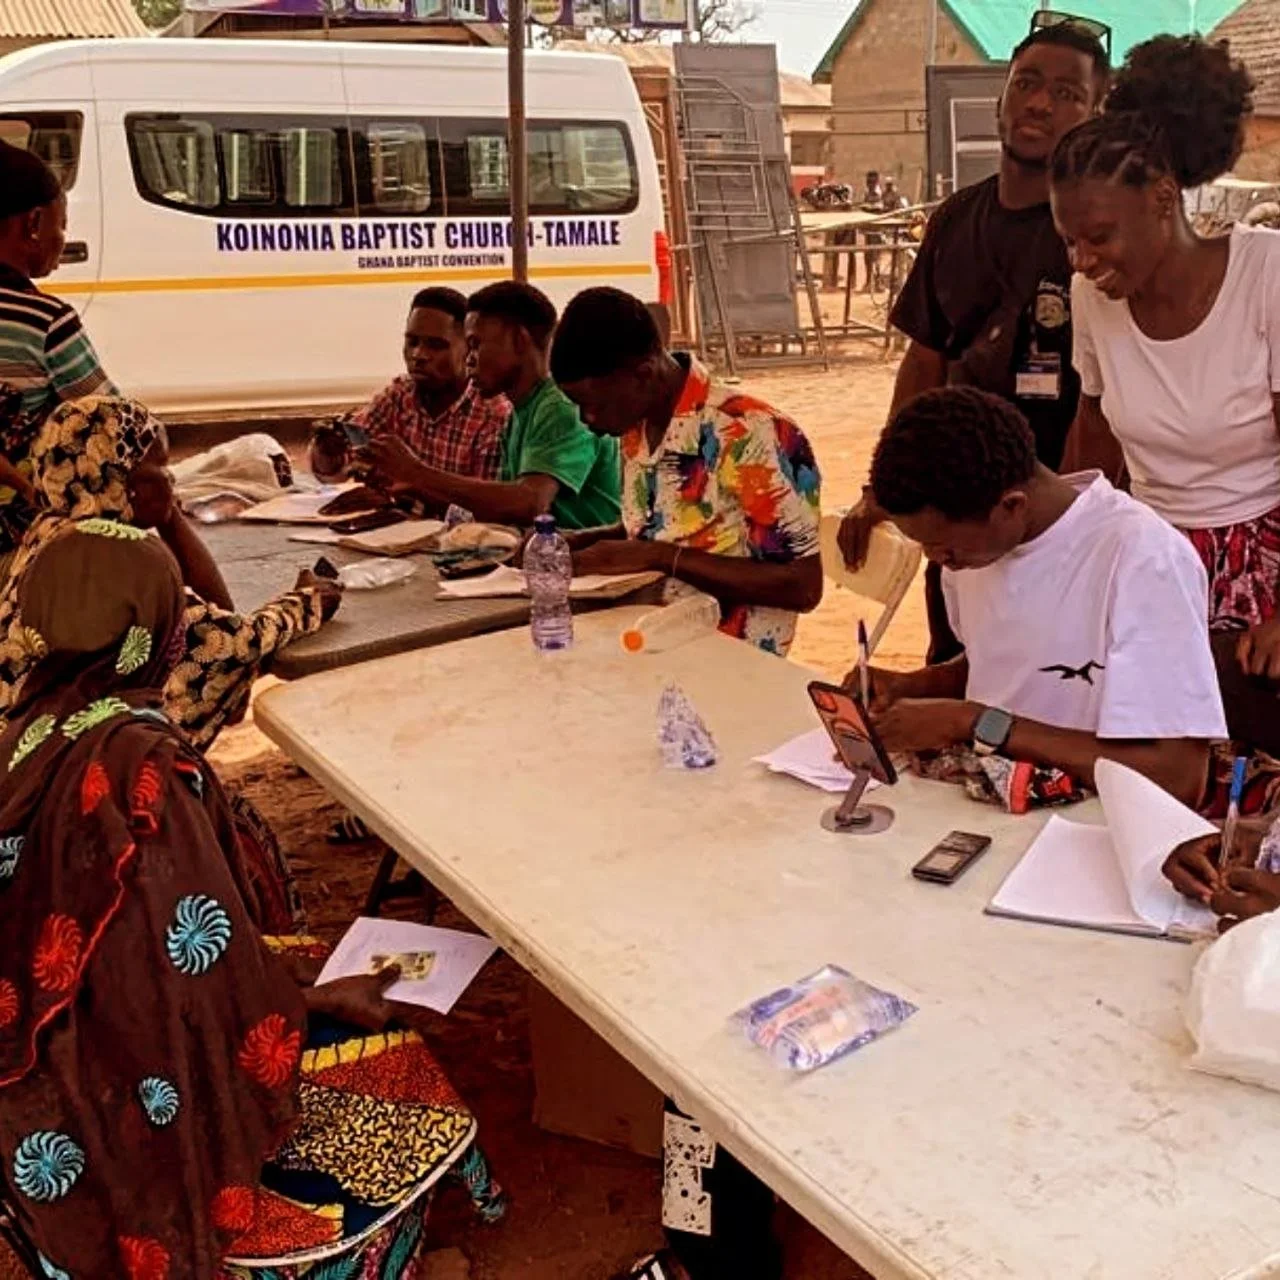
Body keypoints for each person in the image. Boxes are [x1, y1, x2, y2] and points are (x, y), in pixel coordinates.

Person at [0, 522, 502, 1277]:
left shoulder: (29, 729)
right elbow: (193, 1000)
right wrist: (318, 1002)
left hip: (40, 1107)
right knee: (396, 1074)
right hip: (127, 1117)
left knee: (302, 959)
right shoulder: (145, 773)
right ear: (153, 635)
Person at [839, 15, 1110, 663]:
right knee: (956, 664)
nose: (1040, 103)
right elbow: (924, 358)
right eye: (1027, 83)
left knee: (1051, 680)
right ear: (1002, 98)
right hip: (958, 514)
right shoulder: (956, 219)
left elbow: (1103, 398)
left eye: (1067, 93)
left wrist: (1067, 525)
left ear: (1095, 116)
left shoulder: (1097, 235)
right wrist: (885, 486)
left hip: (1053, 516)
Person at [859, 387, 1226, 809]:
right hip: (990, 799)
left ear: (1012, 506)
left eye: (945, 548)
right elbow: (1007, 665)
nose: (938, 560)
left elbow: (1178, 776)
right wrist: (916, 685)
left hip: (1089, 821)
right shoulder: (978, 545)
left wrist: (974, 722)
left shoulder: (1141, 559)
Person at [1051, 38, 1280, 658]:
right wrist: (1062, 550)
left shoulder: (1266, 275)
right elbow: (1094, 437)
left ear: (1162, 198)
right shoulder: (1091, 297)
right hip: (1152, 555)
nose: (1081, 260)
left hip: (1262, 567)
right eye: (1069, 241)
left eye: (1099, 237)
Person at [0, 397, 340, 754]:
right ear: (123, 479)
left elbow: (215, 618)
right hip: (63, 762)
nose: (172, 479)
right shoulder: (114, 560)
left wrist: (168, 516)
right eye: (161, 467)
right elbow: (231, 645)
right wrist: (307, 603)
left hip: (27, 745)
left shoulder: (51, 531)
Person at [550, 287, 823, 656]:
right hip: (644, 635)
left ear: (644, 374)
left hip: (730, 656)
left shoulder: (748, 432)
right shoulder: (636, 421)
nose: (587, 421)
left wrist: (660, 557)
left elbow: (802, 586)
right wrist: (578, 541)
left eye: (593, 405)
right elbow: (661, 527)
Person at [361, 282, 620, 531]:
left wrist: (415, 473)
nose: (469, 359)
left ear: (519, 340)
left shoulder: (561, 406)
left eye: (475, 345)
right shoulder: (521, 411)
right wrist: (409, 491)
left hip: (577, 559)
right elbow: (496, 507)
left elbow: (529, 503)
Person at [0, 141, 117, 552]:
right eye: (61, 223)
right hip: (16, 542)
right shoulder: (44, 321)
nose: (63, 239)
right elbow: (117, 424)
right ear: (33, 223)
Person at [309, 286, 510, 485]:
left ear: (468, 348)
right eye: (412, 342)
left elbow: (481, 502)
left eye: (436, 346)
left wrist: (410, 478)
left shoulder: (492, 417)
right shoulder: (399, 396)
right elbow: (340, 468)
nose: (418, 355)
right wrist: (328, 450)